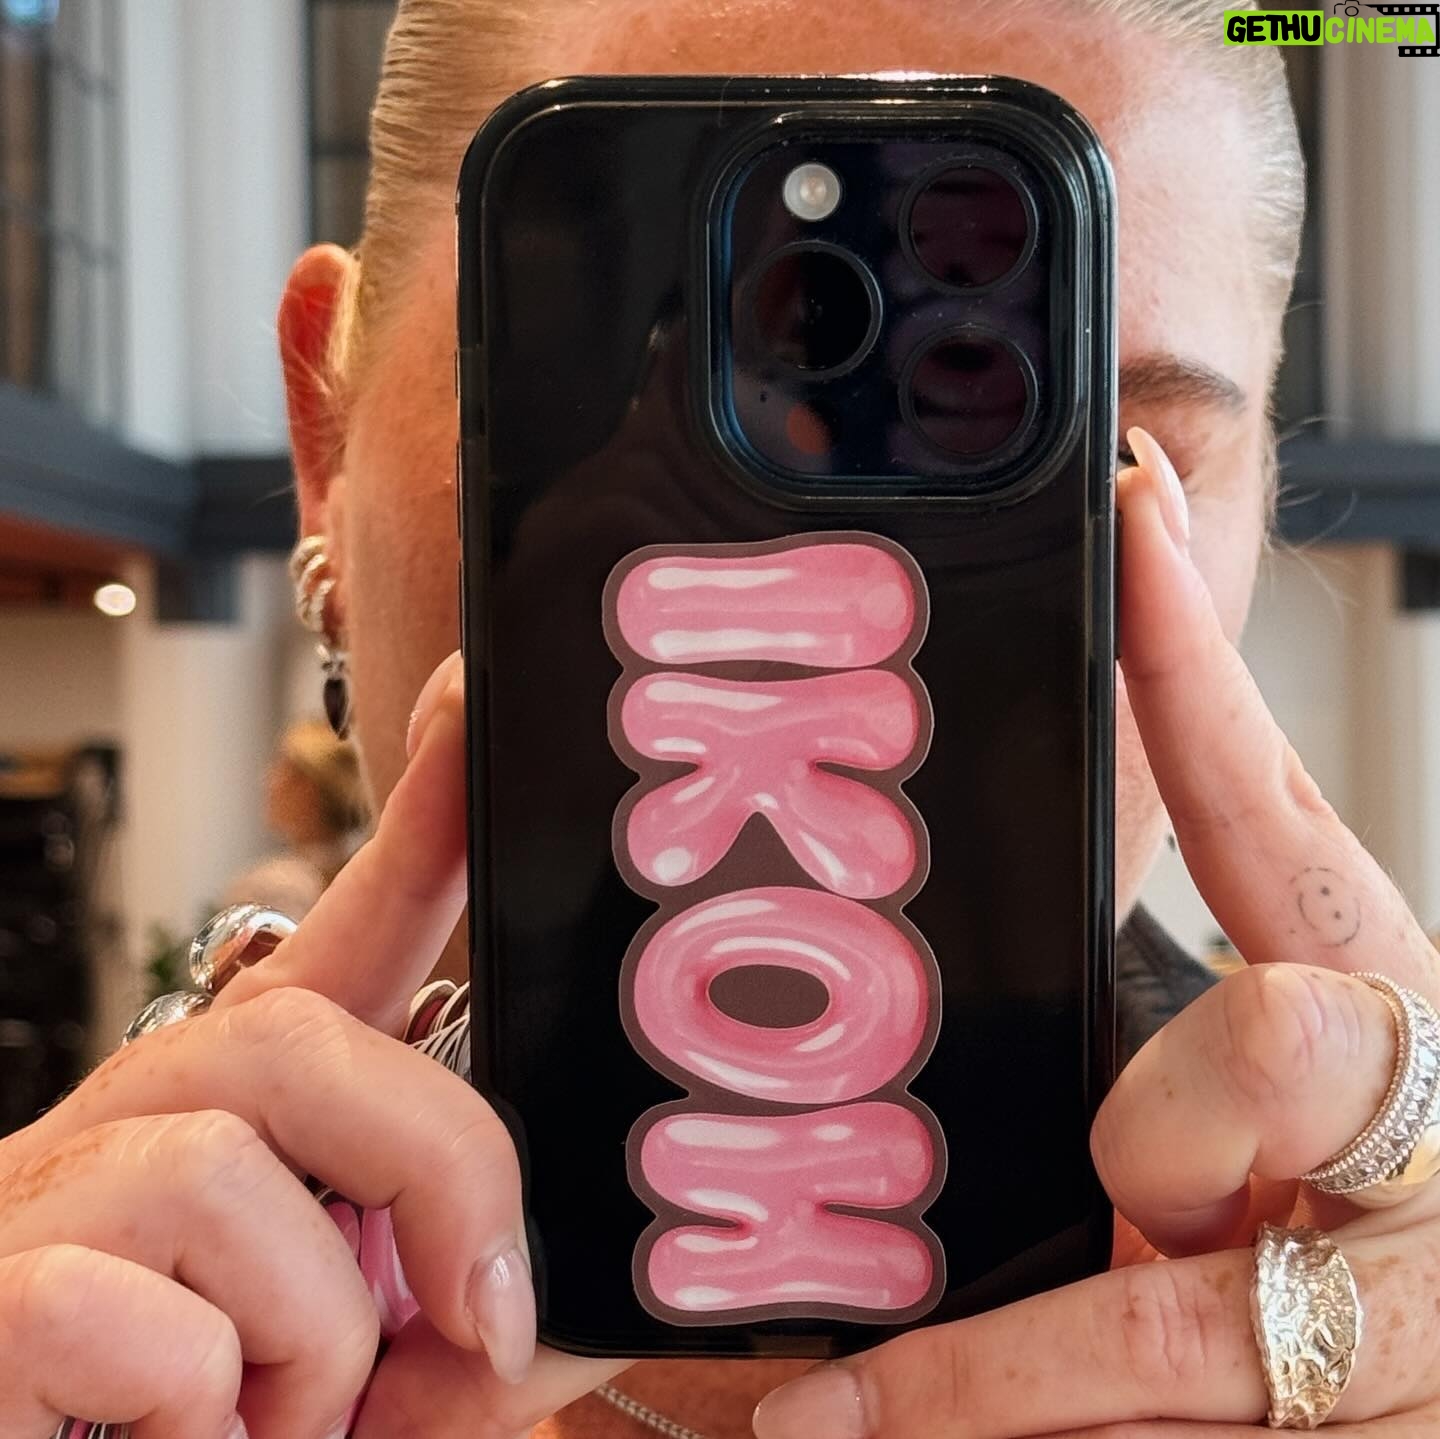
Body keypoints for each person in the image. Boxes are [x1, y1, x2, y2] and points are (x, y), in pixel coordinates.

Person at [2, 1, 1437, 1436]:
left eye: (1093, 448)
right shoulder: (68, 1315)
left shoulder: (1334, 1257)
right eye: (652, 393)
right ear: (327, 442)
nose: (853, 592)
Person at [222, 720, 370, 920]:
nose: (268, 780)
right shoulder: (367, 874)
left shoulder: (273, 889)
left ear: (309, 788)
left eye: (282, 767)